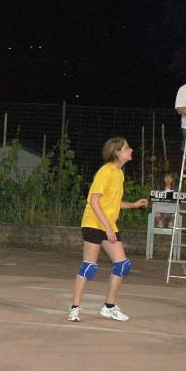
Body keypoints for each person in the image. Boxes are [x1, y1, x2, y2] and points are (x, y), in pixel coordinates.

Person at [68, 137, 148, 322]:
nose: (131, 150)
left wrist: (133, 205)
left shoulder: (119, 173)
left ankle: (109, 307)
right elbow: (94, 201)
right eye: (127, 148)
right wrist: (107, 228)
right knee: (89, 267)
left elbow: (112, 202)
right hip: (93, 223)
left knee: (122, 265)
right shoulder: (106, 171)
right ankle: (75, 308)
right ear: (117, 153)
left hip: (107, 224)